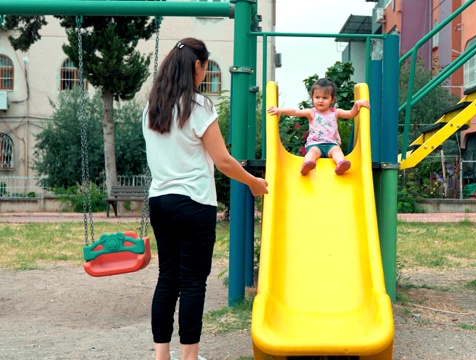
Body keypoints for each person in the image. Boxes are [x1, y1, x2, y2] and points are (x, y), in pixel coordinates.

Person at [142, 37, 268, 360]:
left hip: (160, 203)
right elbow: (224, 161)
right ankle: (188, 357)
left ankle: (161, 356)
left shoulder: (151, 109)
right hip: (194, 205)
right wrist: (253, 181)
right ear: (195, 67)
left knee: (167, 277)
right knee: (193, 283)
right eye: (205, 68)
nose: (205, 75)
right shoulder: (199, 107)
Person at [267, 77, 370, 175]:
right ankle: (307, 165)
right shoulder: (312, 112)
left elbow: (351, 114)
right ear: (312, 98)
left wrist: (357, 105)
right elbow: (295, 111)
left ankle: (341, 164)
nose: (320, 100)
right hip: (315, 144)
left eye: (325, 98)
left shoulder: (335, 112)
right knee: (312, 153)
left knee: (337, 151)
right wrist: (280, 110)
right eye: (317, 97)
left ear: (332, 99)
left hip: (331, 144)